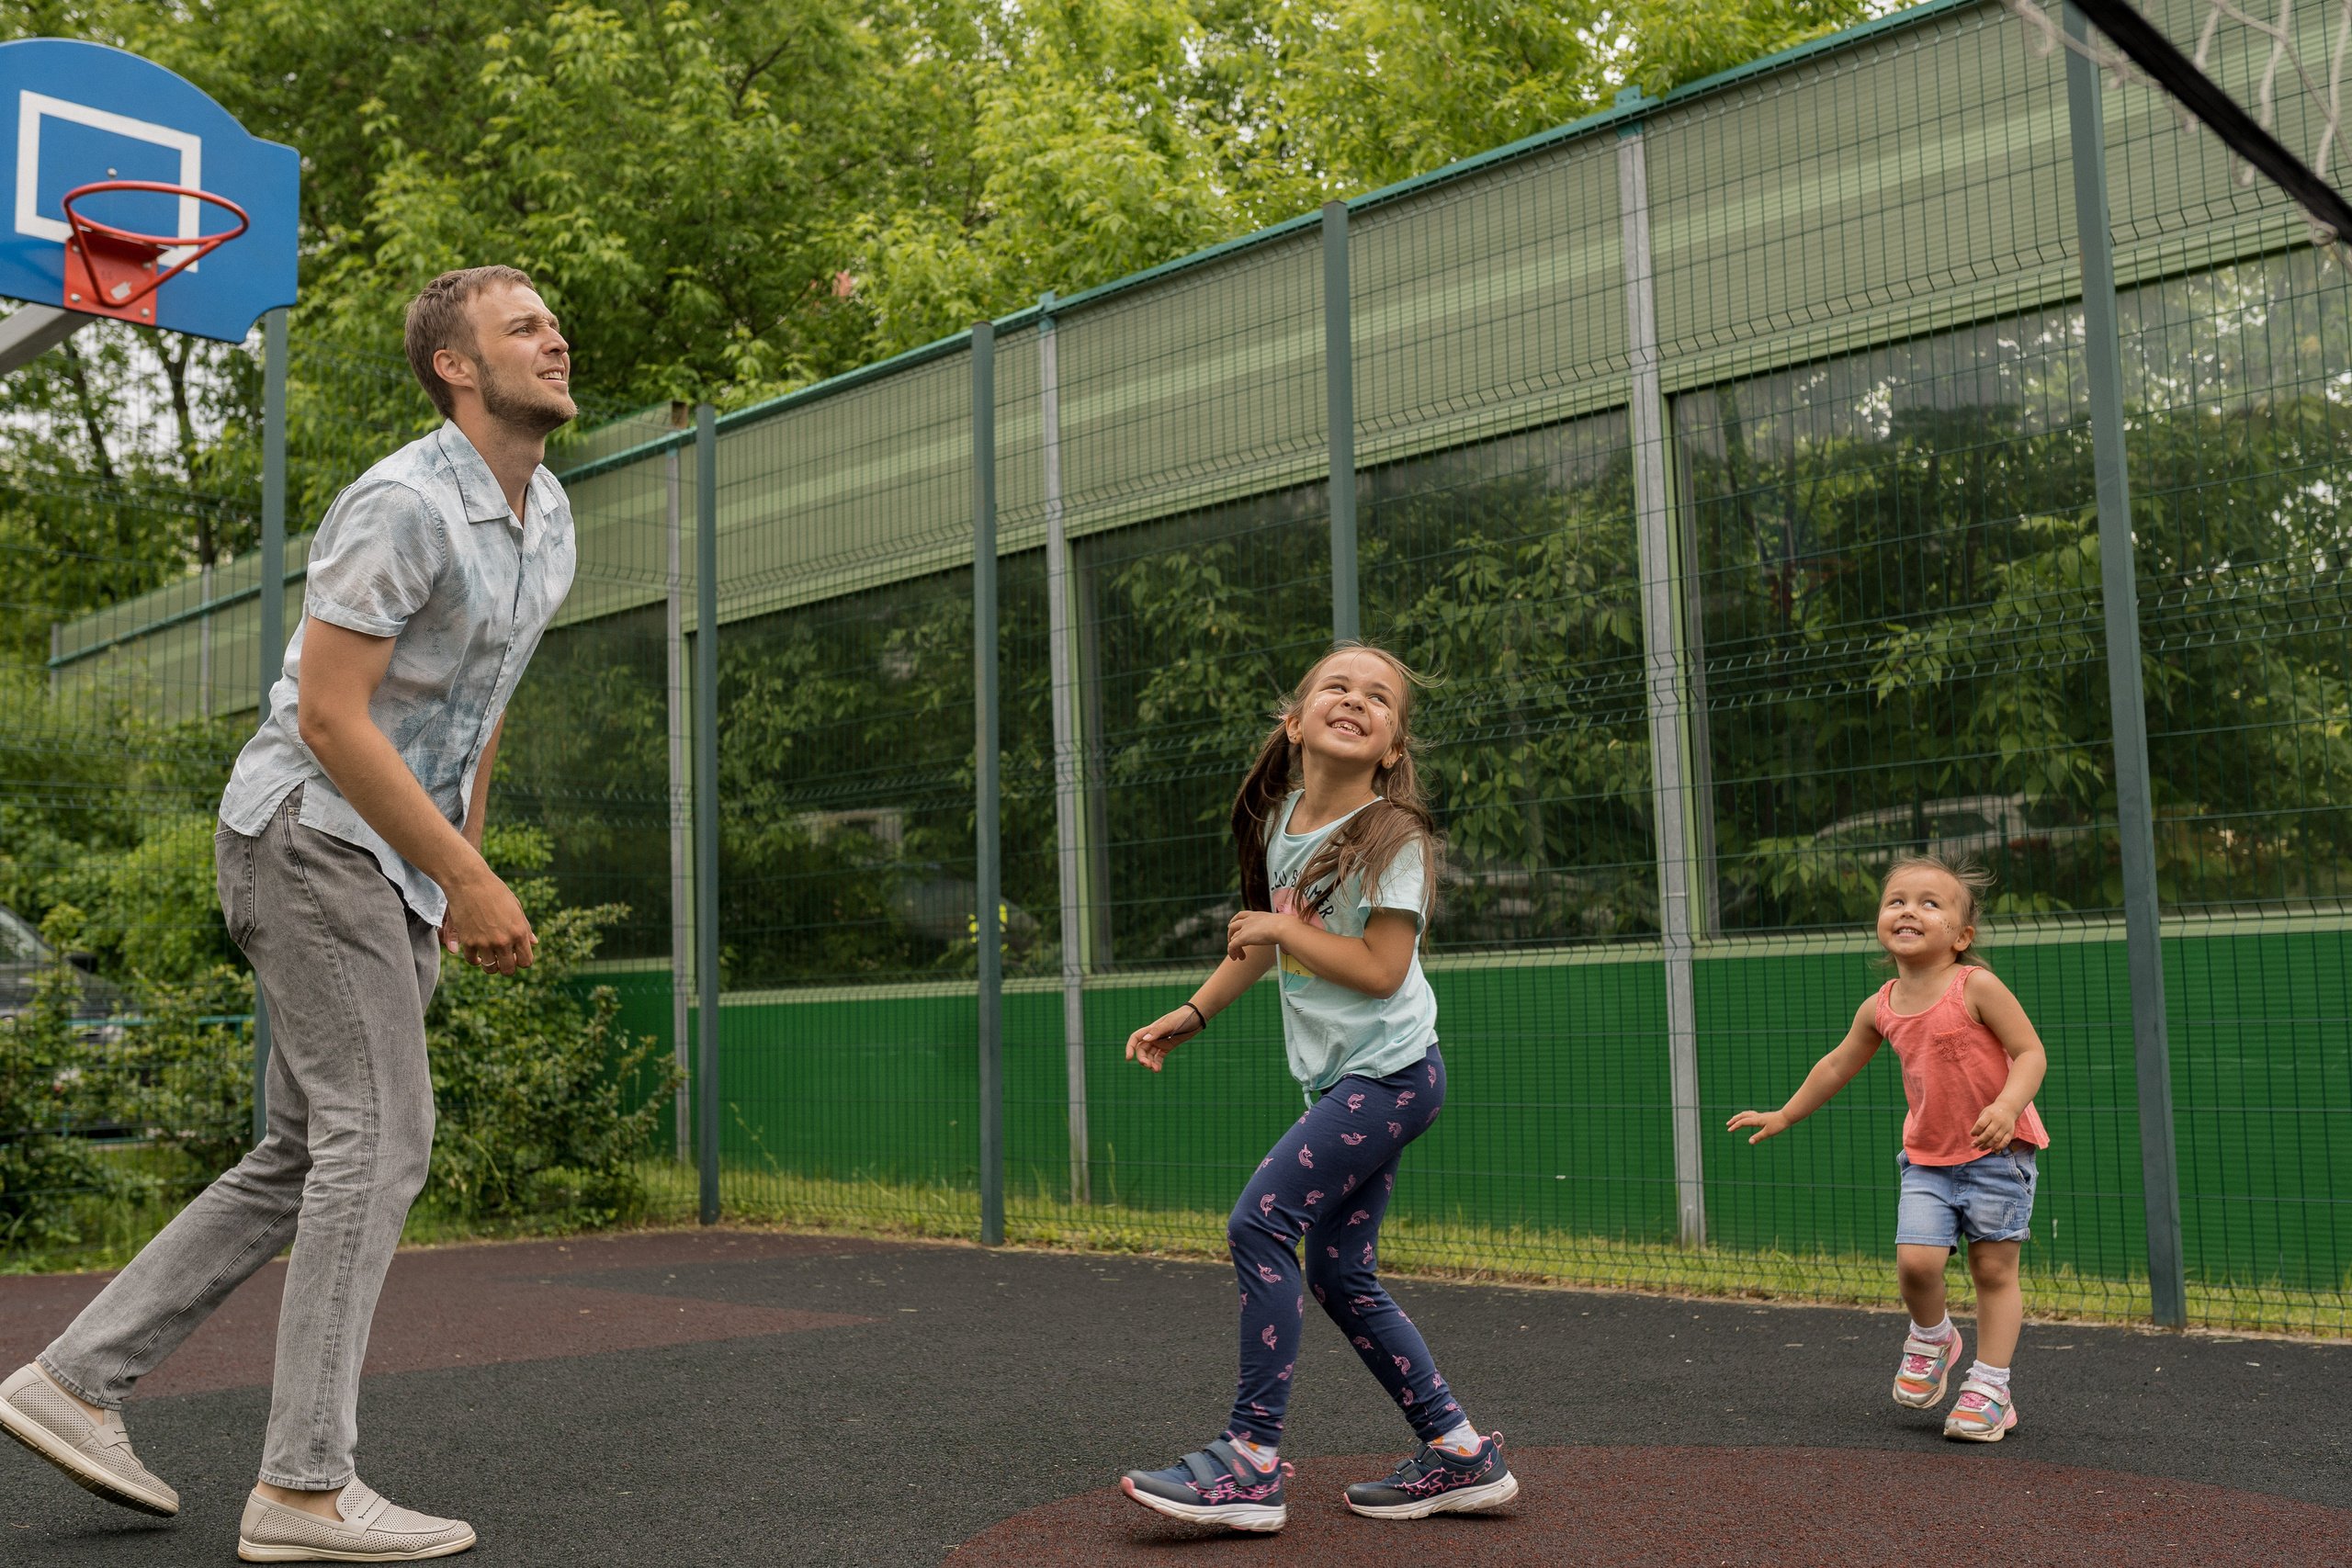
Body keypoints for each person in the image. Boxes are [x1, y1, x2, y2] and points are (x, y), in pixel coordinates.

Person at [0, 265, 578, 1561]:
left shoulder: (551, 523)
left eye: (550, 320)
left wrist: (449, 880)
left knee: (307, 1151)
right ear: (455, 365)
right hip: (305, 835)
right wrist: (471, 881)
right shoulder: (402, 503)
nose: (554, 336)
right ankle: (304, 1487)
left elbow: (474, 721)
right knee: (380, 1137)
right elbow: (330, 715)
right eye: (522, 325)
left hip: (389, 869)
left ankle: (73, 1379)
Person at [1116, 641, 1518, 1532]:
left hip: (1395, 1078)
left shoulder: (1391, 837)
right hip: (1351, 1082)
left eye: (1378, 697)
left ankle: (1251, 1462)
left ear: (1390, 747)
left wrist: (1278, 930)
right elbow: (1266, 938)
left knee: (1259, 1222)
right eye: (1335, 685)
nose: (1355, 698)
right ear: (1295, 724)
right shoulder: (1281, 818)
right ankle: (1458, 1453)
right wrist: (1195, 1010)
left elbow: (1378, 970)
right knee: (1339, 1271)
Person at [1726, 853, 2050, 1442]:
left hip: (1998, 1154)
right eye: (1897, 900)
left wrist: (2005, 1107)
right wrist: (1785, 1114)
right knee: (1915, 1265)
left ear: (1962, 935)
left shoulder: (1975, 986)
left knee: (1992, 1270)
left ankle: (1990, 1388)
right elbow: (1835, 1065)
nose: (1909, 910)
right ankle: (1933, 1338)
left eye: (1931, 903)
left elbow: (2030, 1053)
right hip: (1927, 1158)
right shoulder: (1881, 1006)